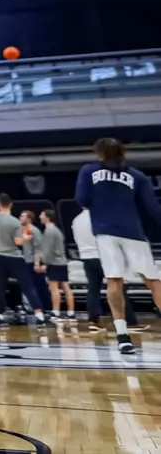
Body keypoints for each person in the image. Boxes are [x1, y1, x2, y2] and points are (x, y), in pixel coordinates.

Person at [75, 137, 161, 355]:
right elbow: (153, 208)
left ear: (99, 153)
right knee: (153, 282)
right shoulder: (136, 175)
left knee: (114, 281)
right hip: (134, 232)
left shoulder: (88, 171)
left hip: (106, 232)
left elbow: (82, 198)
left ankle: (123, 336)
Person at [0, 194, 44, 323]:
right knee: (28, 286)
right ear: (11, 205)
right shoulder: (14, 222)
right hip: (14, 257)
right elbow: (18, 242)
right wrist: (26, 238)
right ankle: (39, 313)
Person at [70, 206, 118, 330]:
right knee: (116, 286)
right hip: (102, 255)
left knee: (93, 289)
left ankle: (94, 320)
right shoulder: (99, 215)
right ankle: (128, 321)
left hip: (86, 257)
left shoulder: (76, 220)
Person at [34, 209, 70, 324]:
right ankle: (71, 312)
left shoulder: (49, 230)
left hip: (54, 262)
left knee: (54, 288)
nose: (40, 216)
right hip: (62, 261)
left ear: (47, 217)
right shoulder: (56, 230)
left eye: (41, 214)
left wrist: (44, 264)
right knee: (65, 287)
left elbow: (47, 250)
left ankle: (56, 311)